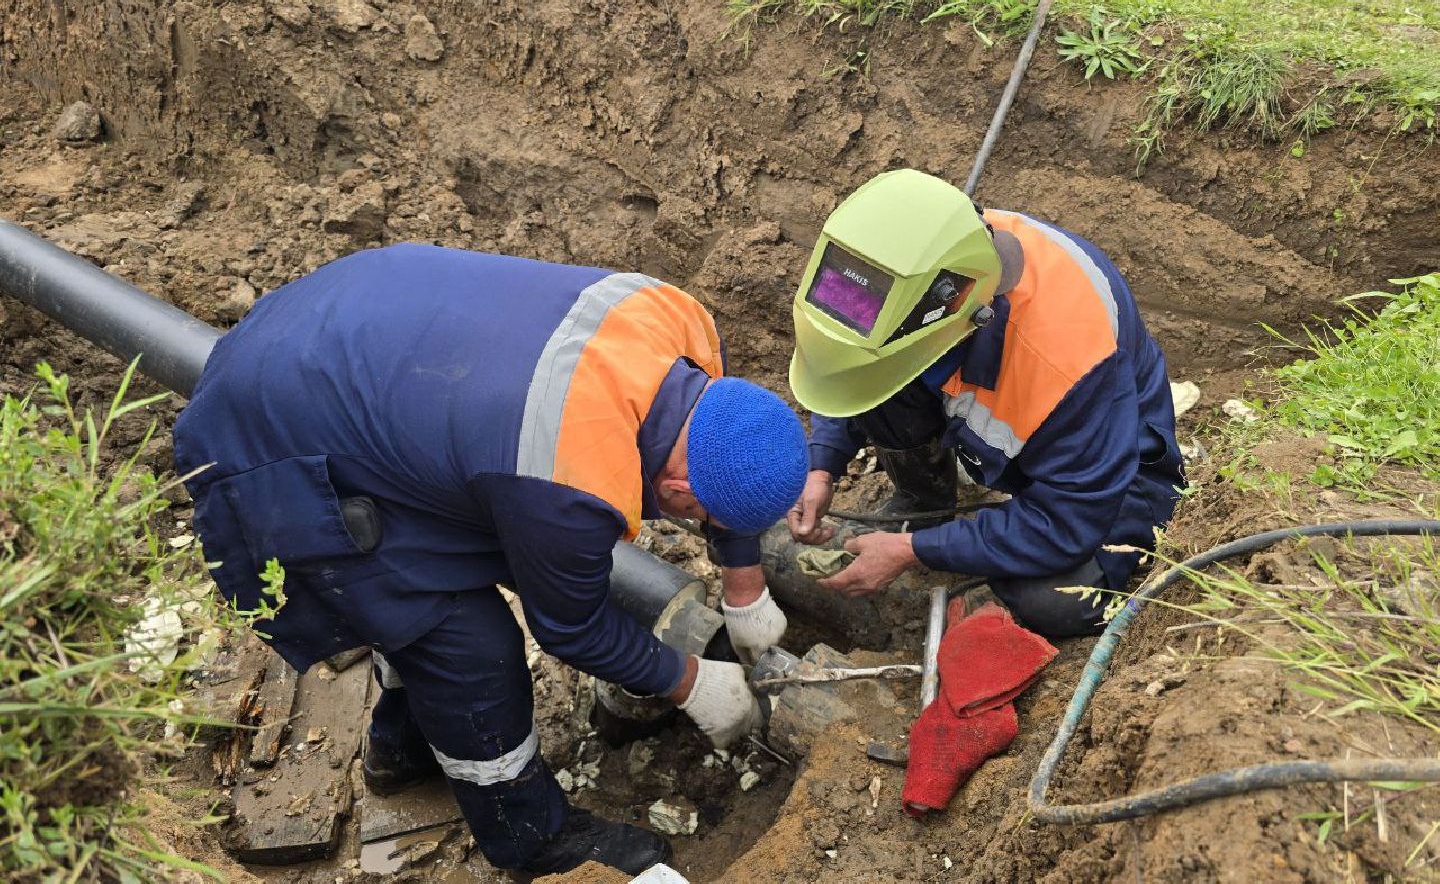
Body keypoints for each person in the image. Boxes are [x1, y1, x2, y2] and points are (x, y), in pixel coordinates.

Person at [174, 243, 805, 878]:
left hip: (346, 330)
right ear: (678, 495)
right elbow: (571, 627)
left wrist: (744, 588)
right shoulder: (565, 478)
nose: (700, 526)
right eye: (702, 519)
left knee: (429, 589)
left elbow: (730, 458)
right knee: (464, 647)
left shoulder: (683, 331)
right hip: (267, 437)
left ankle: (402, 749)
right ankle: (528, 836)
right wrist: (691, 682)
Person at [785, 169, 1184, 637]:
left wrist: (914, 550)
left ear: (966, 316)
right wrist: (822, 466)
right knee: (879, 382)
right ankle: (927, 500)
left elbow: (1068, 519)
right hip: (1012, 411)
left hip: (1109, 473)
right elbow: (849, 364)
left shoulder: (1067, 360)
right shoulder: (930, 256)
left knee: (1056, 604)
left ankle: (970, 538)